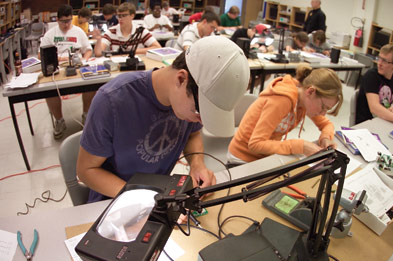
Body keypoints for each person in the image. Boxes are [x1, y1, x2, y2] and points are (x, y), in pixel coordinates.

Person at [76, 36, 250, 203]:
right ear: (181, 79)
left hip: (160, 196)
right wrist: (138, 200)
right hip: (112, 201)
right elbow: (86, 170)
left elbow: (193, 134)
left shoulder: (190, 102)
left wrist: (197, 164)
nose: (201, 121)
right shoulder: (112, 100)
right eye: (200, 112)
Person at [227, 65, 343, 165]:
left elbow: (326, 125)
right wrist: (299, 146)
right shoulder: (282, 101)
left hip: (265, 156)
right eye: (323, 107)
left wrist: (325, 138)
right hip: (243, 159)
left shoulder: (304, 100)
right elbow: (255, 144)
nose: (323, 113)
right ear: (310, 91)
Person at [39, 4, 93, 139]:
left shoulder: (78, 32)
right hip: (57, 70)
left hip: (77, 67)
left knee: (91, 86)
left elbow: (88, 49)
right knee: (49, 90)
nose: (66, 24)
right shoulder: (50, 34)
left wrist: (85, 60)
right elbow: (41, 55)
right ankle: (59, 121)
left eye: (68, 20)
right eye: (63, 21)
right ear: (57, 20)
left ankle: (86, 116)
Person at [94, 2, 161, 57]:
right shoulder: (111, 31)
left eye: (124, 15)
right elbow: (98, 53)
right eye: (119, 16)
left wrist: (131, 52)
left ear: (132, 16)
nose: (120, 19)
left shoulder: (141, 31)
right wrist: (99, 40)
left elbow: (158, 48)